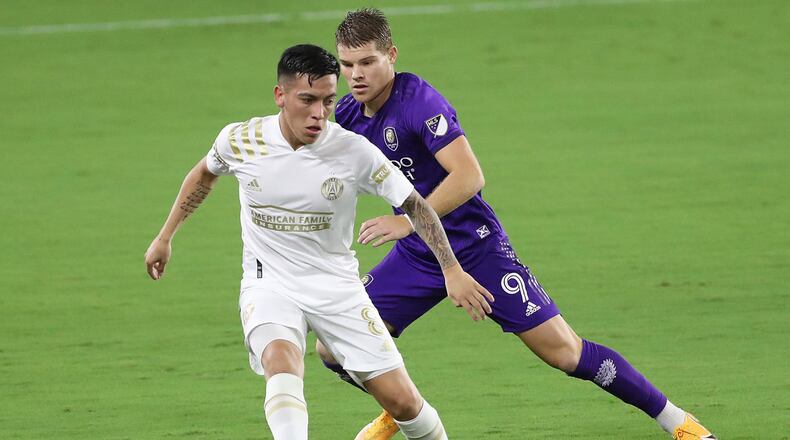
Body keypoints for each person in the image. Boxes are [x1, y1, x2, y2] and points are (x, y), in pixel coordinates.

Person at [315, 9, 716, 440]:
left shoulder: (419, 103)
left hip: (475, 248)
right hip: (419, 256)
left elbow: (469, 177)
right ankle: (404, 408)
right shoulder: (349, 113)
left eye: (368, 62)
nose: (357, 75)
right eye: (348, 64)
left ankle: (678, 422)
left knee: (566, 354)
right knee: (333, 347)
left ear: (391, 56)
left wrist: (408, 223)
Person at [144, 44, 494, 440]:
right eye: (307, 100)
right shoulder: (241, 140)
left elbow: (416, 206)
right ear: (280, 96)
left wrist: (451, 268)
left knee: (404, 404)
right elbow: (204, 174)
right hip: (269, 282)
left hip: (337, 287)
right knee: (281, 361)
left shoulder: (353, 151)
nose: (319, 113)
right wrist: (164, 237)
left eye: (328, 101)